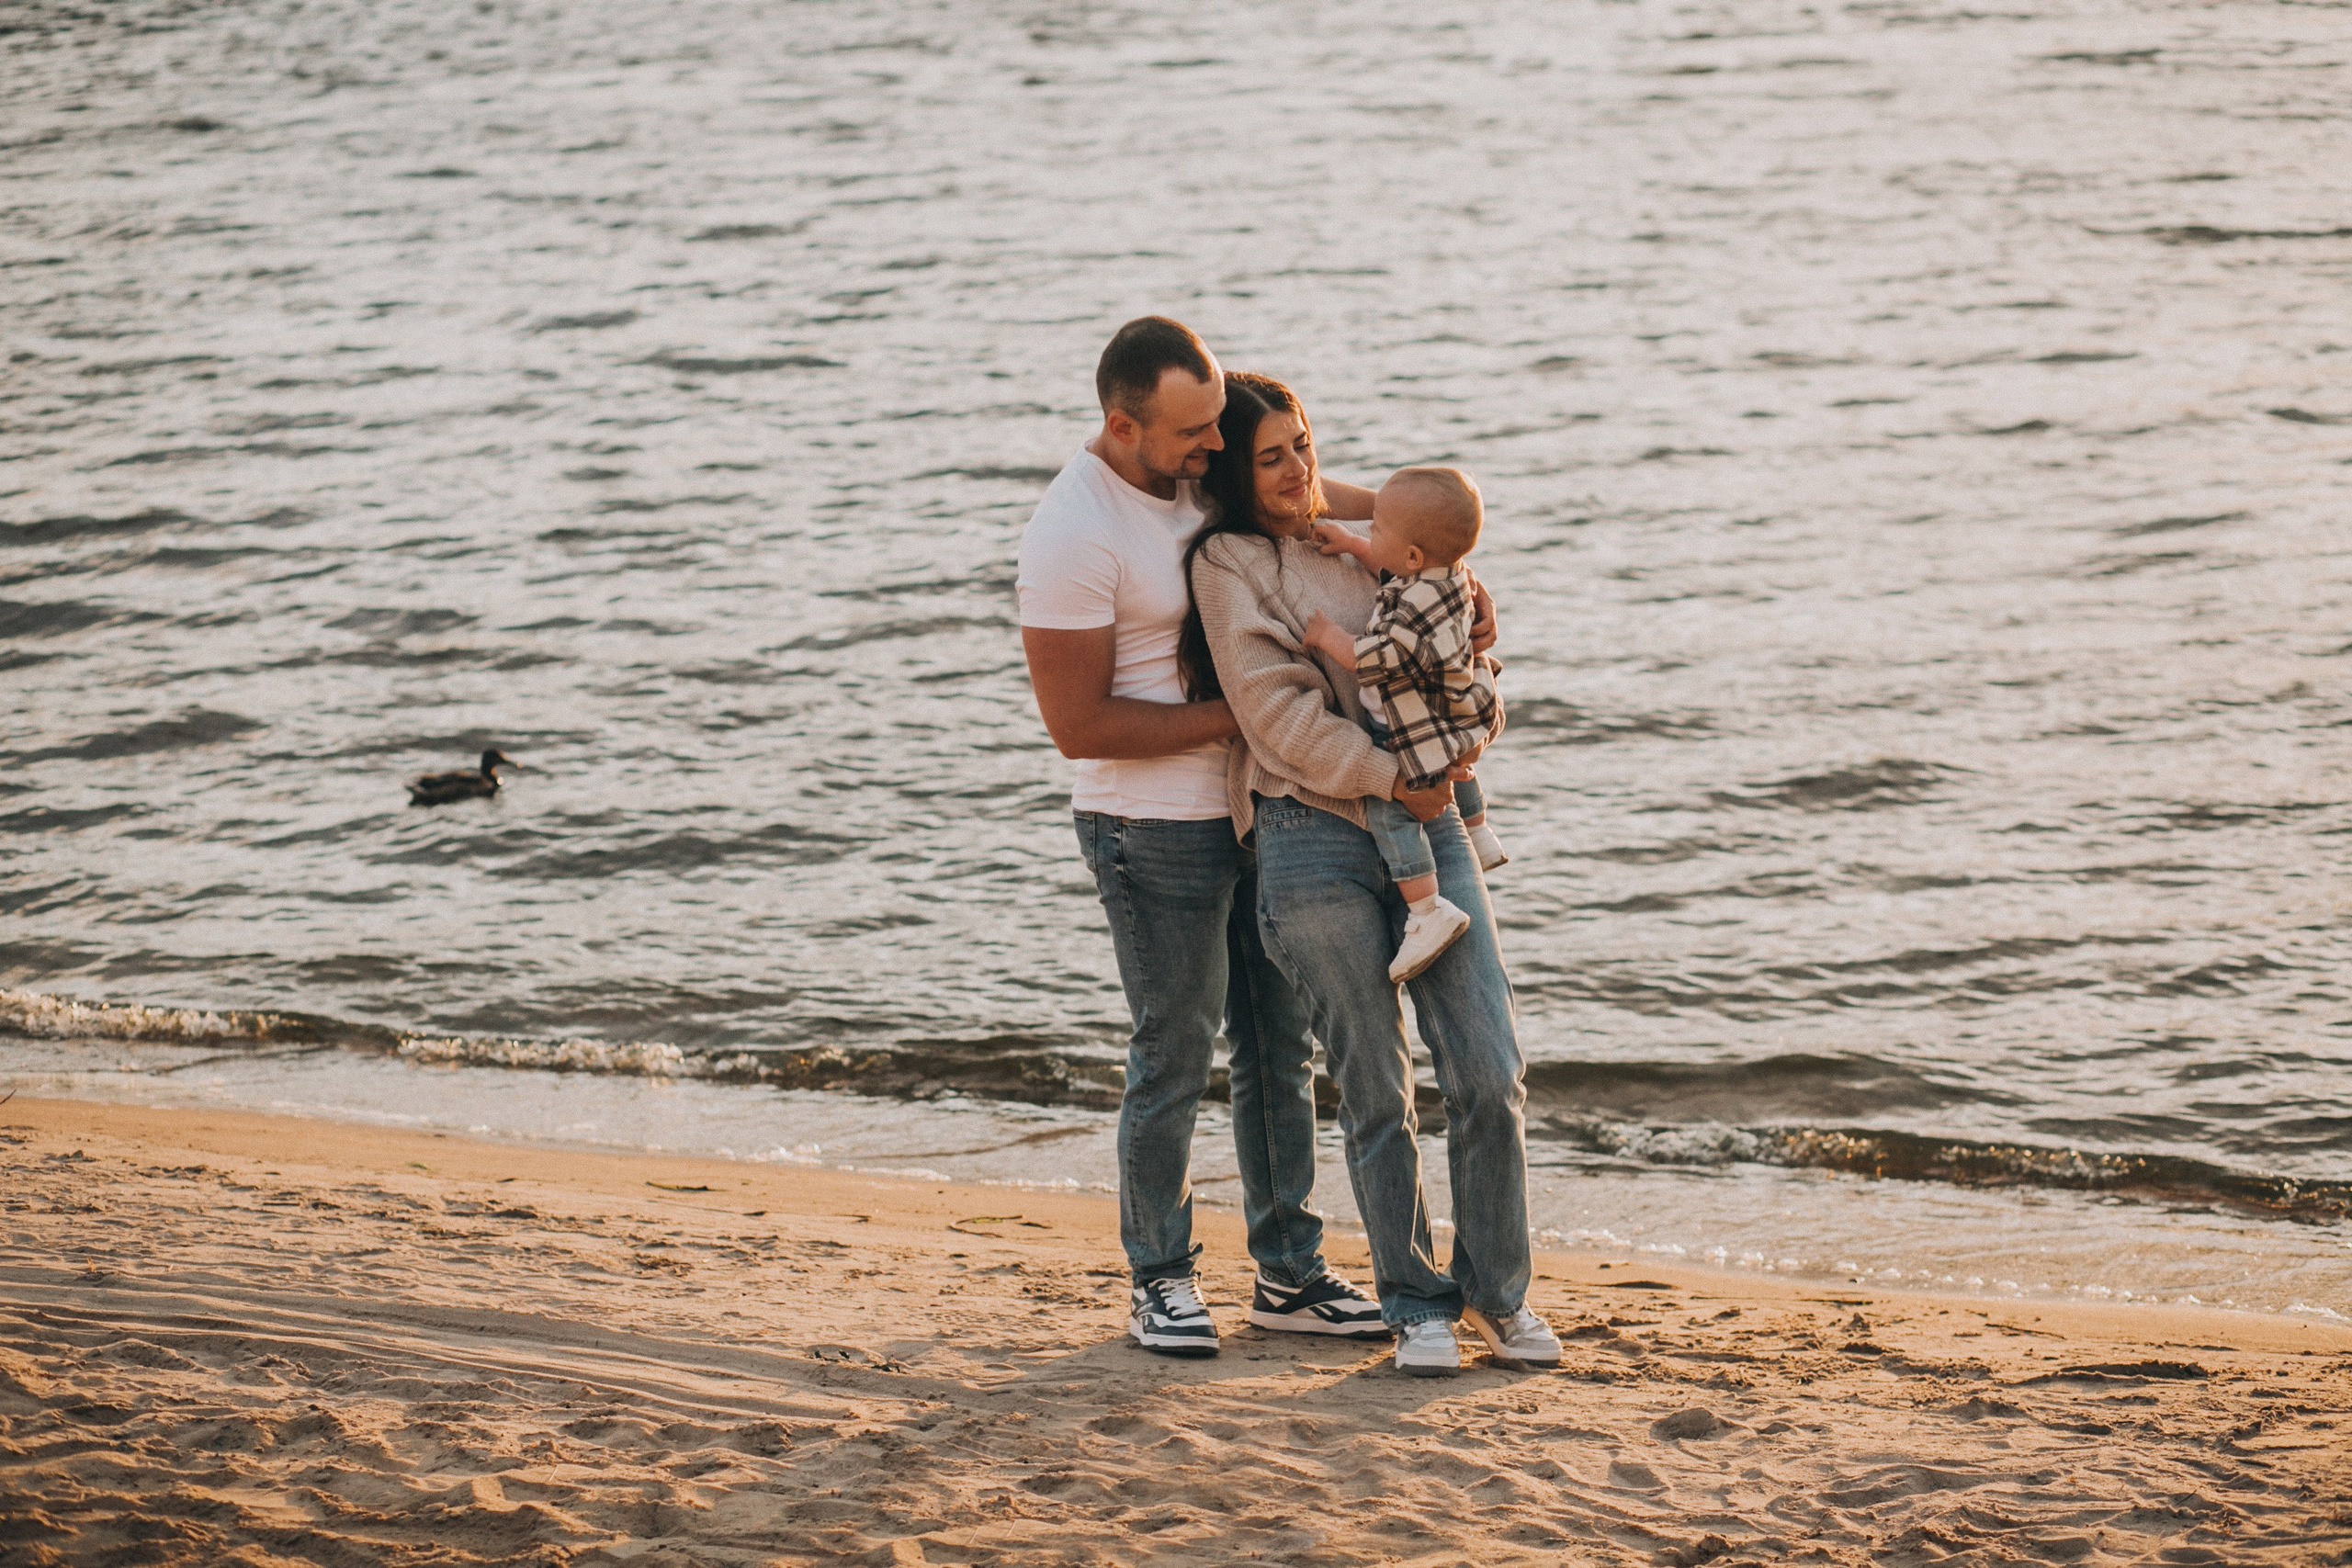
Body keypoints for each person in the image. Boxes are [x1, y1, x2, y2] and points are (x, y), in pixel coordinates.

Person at [1016, 318, 1388, 1357]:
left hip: (1258, 811)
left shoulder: (1198, 469)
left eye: (1218, 424)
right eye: (1193, 432)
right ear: (1122, 426)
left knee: (1277, 1049)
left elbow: (1324, 501)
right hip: (1148, 830)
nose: (1214, 446)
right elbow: (1078, 725)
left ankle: (1290, 1275)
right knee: (1173, 1050)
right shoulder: (1072, 533)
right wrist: (1256, 713)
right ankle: (1161, 1279)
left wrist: (1445, 559)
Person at [1184, 370, 1562, 1378]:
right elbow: (1275, 715)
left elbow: (1448, 655)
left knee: (1488, 1071)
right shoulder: (1225, 563)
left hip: (1428, 822)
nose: (1297, 468)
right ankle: (1416, 1301)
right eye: (1271, 456)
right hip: (1310, 831)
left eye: (1303, 444)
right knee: (1375, 1088)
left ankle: (1497, 1293)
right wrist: (1398, 775)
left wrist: (1476, 636)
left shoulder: (1368, 536)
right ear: (1232, 471)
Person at [1300, 468, 1509, 983]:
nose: (1369, 532)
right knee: (1459, 764)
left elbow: (1372, 659)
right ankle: (1478, 830)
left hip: (1412, 726)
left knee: (1390, 811)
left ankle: (1426, 909)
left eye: (1375, 529)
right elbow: (1393, 566)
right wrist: (1352, 542)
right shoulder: (1447, 576)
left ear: (1413, 555)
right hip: (1453, 707)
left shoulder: (1413, 612)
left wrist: (1327, 635)